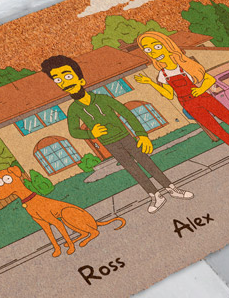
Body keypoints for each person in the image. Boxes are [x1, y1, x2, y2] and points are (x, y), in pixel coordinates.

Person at [41, 54, 193, 213]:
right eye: (58, 80)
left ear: (81, 80)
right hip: (109, 144)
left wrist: (142, 135)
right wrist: (91, 133)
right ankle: (155, 195)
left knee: (146, 162)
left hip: (126, 137)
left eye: (67, 76)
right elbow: (74, 131)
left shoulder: (102, 98)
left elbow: (127, 113)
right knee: (132, 169)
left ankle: (171, 188)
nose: (65, 82)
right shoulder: (74, 109)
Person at [134, 31, 229, 171]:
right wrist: (150, 82)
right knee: (218, 131)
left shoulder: (185, 65)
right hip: (189, 104)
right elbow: (168, 95)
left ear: (167, 46)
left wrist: (200, 90)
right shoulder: (162, 74)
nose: (153, 52)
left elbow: (209, 79)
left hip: (204, 98)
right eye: (148, 50)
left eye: (156, 46)